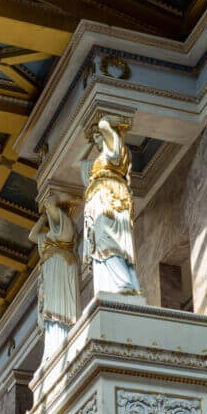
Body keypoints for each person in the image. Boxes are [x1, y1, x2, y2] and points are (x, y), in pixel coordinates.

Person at [82, 118, 142, 296]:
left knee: (109, 240)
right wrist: (93, 140)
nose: (96, 142)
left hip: (111, 199)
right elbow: (81, 164)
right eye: (94, 139)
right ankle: (111, 286)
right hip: (99, 199)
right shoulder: (99, 161)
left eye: (97, 137)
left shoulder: (116, 151)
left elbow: (103, 125)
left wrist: (102, 124)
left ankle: (123, 283)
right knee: (100, 244)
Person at [28, 192, 78, 360]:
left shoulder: (65, 230)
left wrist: (59, 200)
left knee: (57, 307)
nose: (50, 216)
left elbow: (50, 203)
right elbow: (32, 236)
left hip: (59, 268)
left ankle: (58, 343)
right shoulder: (49, 236)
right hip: (50, 271)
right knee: (50, 307)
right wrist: (43, 217)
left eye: (52, 214)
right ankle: (53, 346)